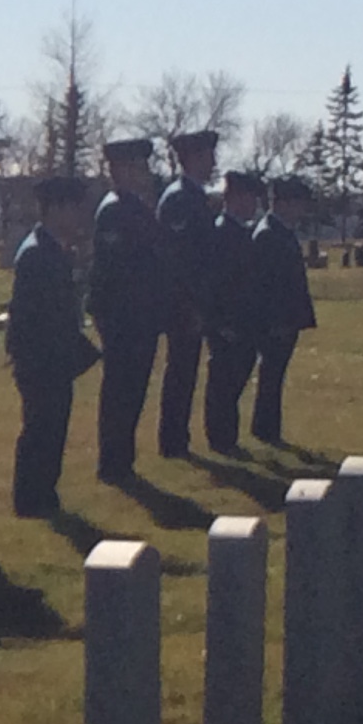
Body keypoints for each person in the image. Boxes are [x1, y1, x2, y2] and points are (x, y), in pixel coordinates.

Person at [7, 173, 103, 516]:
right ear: (56, 209)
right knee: (40, 428)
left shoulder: (55, 250)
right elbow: (35, 317)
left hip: (55, 358)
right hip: (40, 359)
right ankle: (31, 497)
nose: (79, 216)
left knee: (53, 427)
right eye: (74, 208)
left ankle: (44, 494)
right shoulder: (38, 254)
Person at [87, 138, 165, 480]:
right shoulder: (114, 210)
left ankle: (123, 457)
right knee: (120, 389)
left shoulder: (135, 207)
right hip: (122, 316)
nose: (142, 173)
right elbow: (115, 269)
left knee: (133, 389)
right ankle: (113, 460)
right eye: (135, 167)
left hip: (140, 314)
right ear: (118, 170)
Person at [154, 127, 220, 457]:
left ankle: (177, 436)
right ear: (191, 158)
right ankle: (172, 439)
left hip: (195, 300)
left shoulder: (194, 197)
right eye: (207, 156)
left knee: (187, 370)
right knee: (180, 371)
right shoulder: (180, 199)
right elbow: (178, 259)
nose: (212, 163)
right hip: (182, 302)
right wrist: (189, 305)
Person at [244, 173, 321, 444]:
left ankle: (268, 427)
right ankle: (265, 428)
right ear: (283, 203)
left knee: (276, 373)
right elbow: (265, 284)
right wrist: (275, 321)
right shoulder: (269, 234)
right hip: (275, 320)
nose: (302, 209)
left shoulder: (280, 231)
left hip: (286, 317)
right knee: (271, 374)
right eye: (298, 202)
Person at [199, 167, 266, 455]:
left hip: (244, 320)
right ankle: (221, 438)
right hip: (227, 323)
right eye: (249, 198)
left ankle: (227, 436)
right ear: (234, 198)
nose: (253, 204)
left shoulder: (241, 232)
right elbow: (213, 282)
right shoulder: (221, 232)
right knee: (223, 382)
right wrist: (219, 322)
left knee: (237, 377)